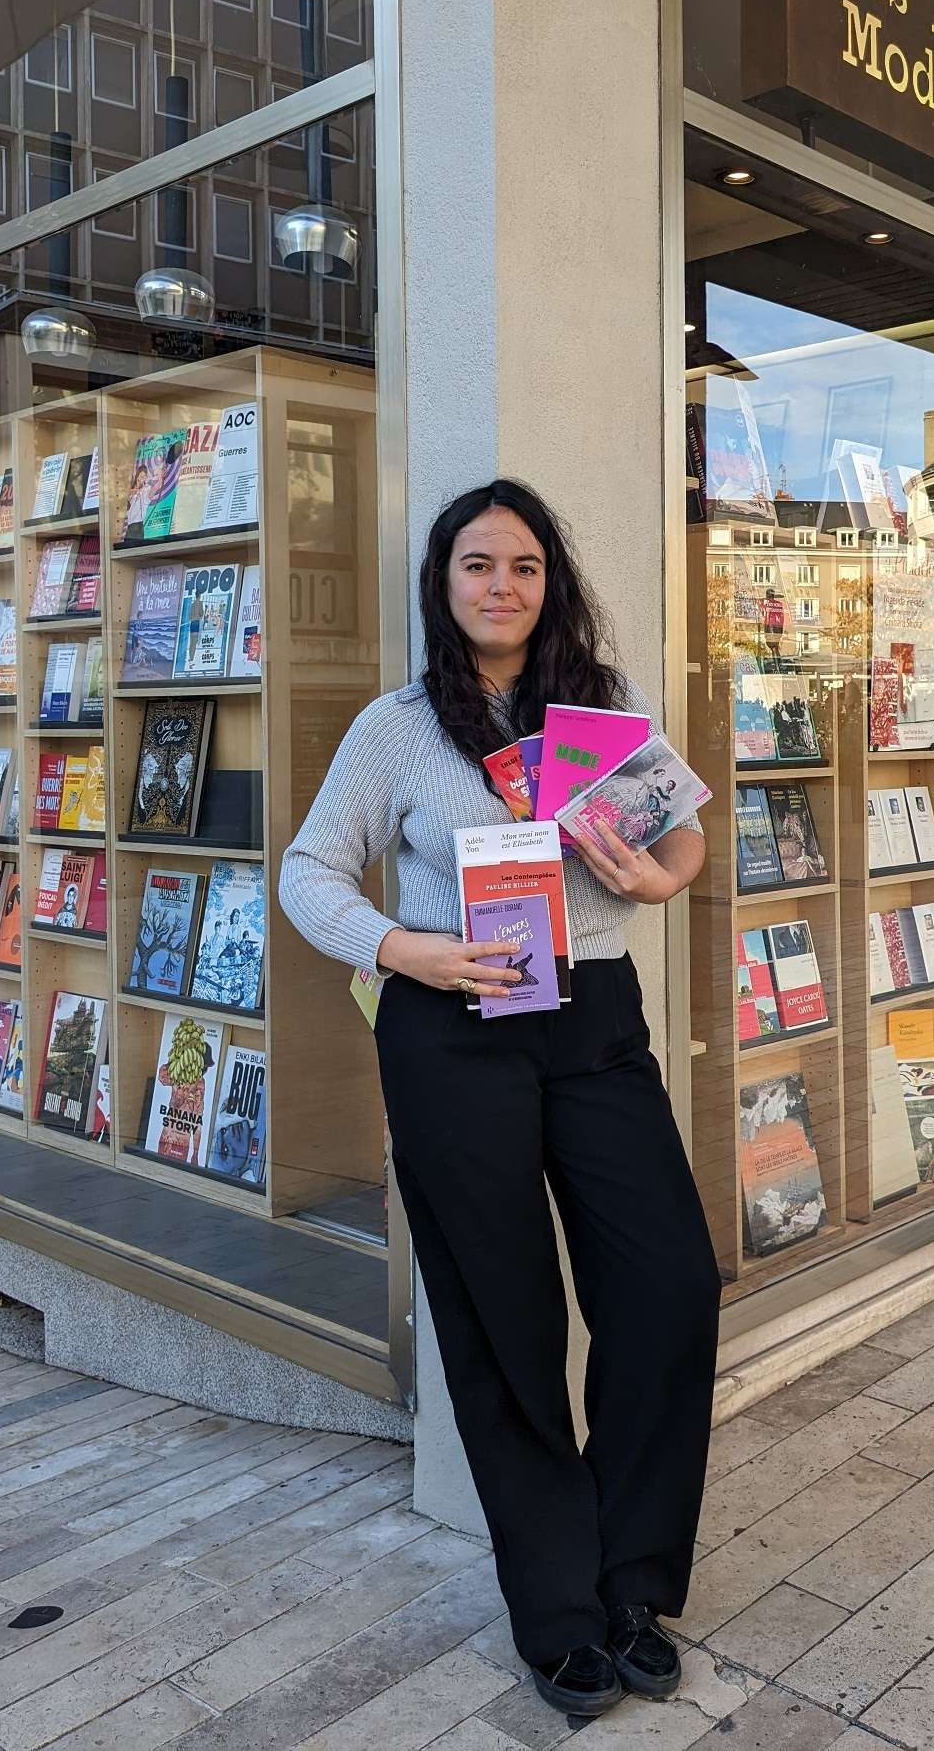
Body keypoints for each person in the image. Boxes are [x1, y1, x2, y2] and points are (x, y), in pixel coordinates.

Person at [278, 479, 721, 1719]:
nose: (502, 587)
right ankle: (561, 1610)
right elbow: (307, 869)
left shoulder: (604, 713)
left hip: (590, 1018)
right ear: (445, 582)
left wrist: (660, 874)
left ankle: (633, 1575)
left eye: (524, 566)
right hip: (452, 1028)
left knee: (666, 1284)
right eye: (478, 565)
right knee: (504, 1315)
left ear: (550, 583)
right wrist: (395, 949)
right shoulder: (398, 727)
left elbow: (686, 835)